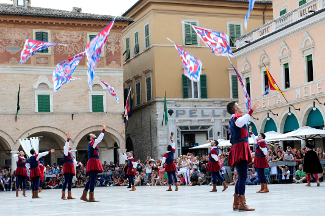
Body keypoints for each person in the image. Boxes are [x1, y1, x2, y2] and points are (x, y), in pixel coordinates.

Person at [227, 101, 259, 211]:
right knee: (243, 177)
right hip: (240, 147)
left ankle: (236, 203)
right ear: (235, 109)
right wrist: (251, 110)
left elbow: (243, 121)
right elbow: (240, 122)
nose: (240, 106)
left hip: (238, 147)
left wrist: (249, 113)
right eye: (238, 105)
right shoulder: (236, 117)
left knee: (241, 177)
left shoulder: (233, 118)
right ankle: (242, 204)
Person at [80, 122, 106, 202]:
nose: (94, 134)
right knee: (92, 180)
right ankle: (91, 197)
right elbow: (99, 139)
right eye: (92, 134)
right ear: (91, 138)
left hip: (92, 161)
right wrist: (103, 130)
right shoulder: (92, 143)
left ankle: (84, 196)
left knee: (91, 180)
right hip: (93, 162)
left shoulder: (92, 143)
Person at [249, 127, 269, 193]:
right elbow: (254, 138)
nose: (258, 136)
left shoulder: (262, 143)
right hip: (258, 159)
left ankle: (265, 188)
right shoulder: (259, 142)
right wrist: (250, 131)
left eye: (259, 135)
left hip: (261, 159)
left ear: (262, 137)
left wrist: (265, 154)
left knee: (262, 173)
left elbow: (265, 151)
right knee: (259, 173)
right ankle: (262, 187)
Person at [62, 132, 79, 200]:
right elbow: (66, 146)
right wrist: (68, 139)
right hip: (67, 167)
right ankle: (63, 195)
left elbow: (74, 162)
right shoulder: (66, 152)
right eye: (68, 145)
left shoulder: (71, 154)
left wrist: (78, 163)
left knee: (70, 181)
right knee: (66, 181)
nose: (69, 146)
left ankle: (69, 195)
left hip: (71, 167)